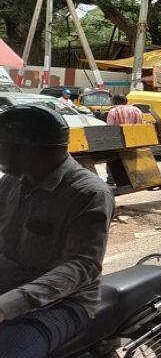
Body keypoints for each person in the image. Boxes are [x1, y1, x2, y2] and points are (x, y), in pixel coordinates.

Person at [0, 105, 114, 357]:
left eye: (3, 145)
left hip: (62, 303)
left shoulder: (87, 193)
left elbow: (81, 266)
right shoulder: (12, 181)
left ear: (28, 151)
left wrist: (7, 305)